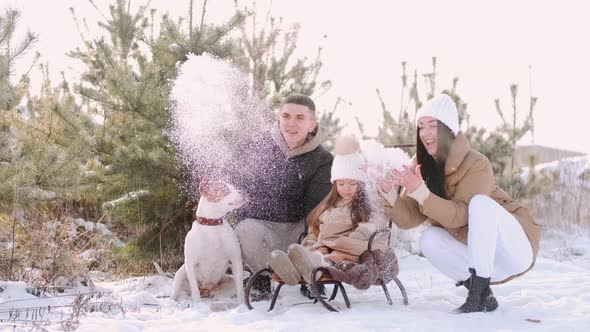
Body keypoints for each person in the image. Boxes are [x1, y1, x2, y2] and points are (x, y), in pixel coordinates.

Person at [378, 94, 542, 313]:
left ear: (449, 129)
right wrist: (389, 194)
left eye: (432, 125)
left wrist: (421, 191)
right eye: (420, 126)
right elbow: (409, 218)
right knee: (428, 238)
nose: (425, 133)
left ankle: (476, 298)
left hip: (514, 249)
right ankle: (483, 293)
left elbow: (461, 217)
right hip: (484, 261)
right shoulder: (420, 165)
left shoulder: (476, 163)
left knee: (480, 205)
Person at [233, 94, 333, 298]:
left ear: (312, 125)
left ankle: (309, 276)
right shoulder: (258, 147)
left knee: (320, 228)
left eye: (299, 118)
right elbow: (239, 190)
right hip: (266, 229)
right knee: (244, 229)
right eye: (286, 116)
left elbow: (316, 209)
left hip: (299, 229)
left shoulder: (323, 159)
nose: (291, 123)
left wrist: (307, 242)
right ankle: (262, 276)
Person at [268, 135, 388, 285]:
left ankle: (316, 267)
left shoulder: (366, 208)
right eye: (341, 184)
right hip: (324, 246)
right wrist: (310, 244)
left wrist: (352, 239)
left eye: (352, 183)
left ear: (361, 184)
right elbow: (314, 231)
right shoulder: (326, 208)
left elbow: (369, 226)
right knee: (316, 252)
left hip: (348, 249)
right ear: (335, 184)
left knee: (336, 256)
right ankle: (294, 268)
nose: (346, 189)